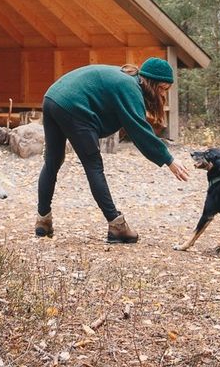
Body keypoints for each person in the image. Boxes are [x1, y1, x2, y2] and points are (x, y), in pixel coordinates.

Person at [35, 57, 190, 243]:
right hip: (73, 106)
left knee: (52, 162)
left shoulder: (126, 79)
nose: (163, 95)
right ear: (151, 82)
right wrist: (169, 160)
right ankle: (116, 225)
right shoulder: (130, 87)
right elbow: (140, 130)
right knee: (93, 166)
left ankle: (43, 220)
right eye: (163, 89)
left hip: (52, 98)